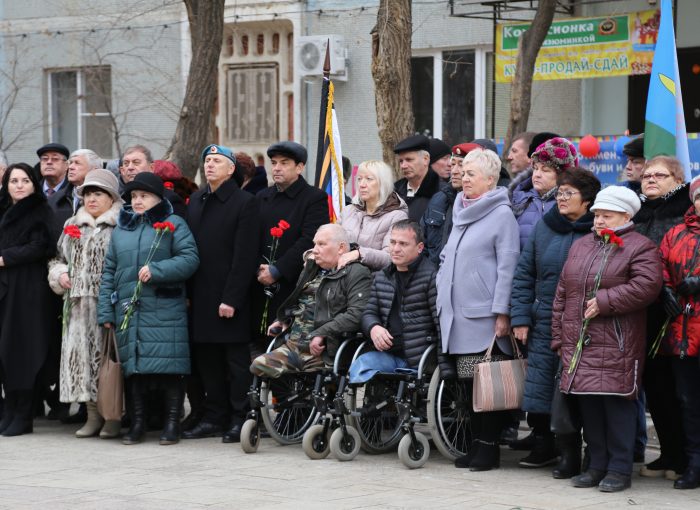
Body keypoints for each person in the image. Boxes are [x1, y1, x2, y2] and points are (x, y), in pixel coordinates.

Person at [552, 186, 662, 492]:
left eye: (606, 215)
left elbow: (647, 286)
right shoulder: (583, 244)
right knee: (590, 408)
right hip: (580, 342)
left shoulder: (640, 247)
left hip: (617, 342)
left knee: (617, 408)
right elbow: (563, 291)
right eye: (597, 214)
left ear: (626, 216)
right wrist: (559, 336)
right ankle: (596, 465)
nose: (598, 220)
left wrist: (605, 300)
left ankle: (619, 469)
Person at [97, 172, 199, 445]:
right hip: (130, 311)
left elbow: (190, 259)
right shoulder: (122, 230)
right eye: (133, 197)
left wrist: (157, 270)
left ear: (158, 198)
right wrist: (106, 311)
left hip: (164, 308)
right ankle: (138, 424)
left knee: (170, 370)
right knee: (135, 372)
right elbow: (109, 272)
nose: (138, 201)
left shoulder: (173, 223)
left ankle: (171, 424)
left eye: (144, 196)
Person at [511, 168, 601, 475]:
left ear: (587, 200)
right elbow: (524, 274)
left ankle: (591, 454)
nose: (560, 199)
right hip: (546, 320)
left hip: (588, 324)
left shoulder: (598, 230)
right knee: (547, 390)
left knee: (581, 391)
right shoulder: (544, 227)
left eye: (568, 194)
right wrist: (521, 318)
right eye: (559, 193)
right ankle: (559, 450)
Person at [436, 148, 520, 471]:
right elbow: (449, 255)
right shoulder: (460, 210)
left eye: (471, 174)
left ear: (490, 179)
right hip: (457, 315)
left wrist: (503, 312)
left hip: (484, 317)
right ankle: (474, 446)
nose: (464, 178)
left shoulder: (501, 215)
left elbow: (507, 267)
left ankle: (489, 450)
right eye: (463, 172)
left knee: (488, 388)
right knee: (469, 387)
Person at [184, 144, 260, 444]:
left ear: (231, 169)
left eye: (217, 161)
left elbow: (245, 256)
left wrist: (231, 298)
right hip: (200, 295)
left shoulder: (245, 202)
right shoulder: (196, 200)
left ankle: (239, 417)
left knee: (235, 362)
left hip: (229, 297)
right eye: (207, 160)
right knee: (207, 360)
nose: (210, 165)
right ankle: (214, 416)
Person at [47, 170, 123, 439]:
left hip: (107, 305)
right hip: (77, 306)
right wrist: (60, 274)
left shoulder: (120, 225)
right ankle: (91, 415)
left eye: (98, 193)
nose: (91, 198)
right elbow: (57, 259)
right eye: (88, 193)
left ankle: (112, 416)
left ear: (111, 196)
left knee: (107, 363)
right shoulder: (72, 225)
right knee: (82, 362)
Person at [633, 155, 691, 481]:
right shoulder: (638, 211)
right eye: (647, 175)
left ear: (677, 179)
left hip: (677, 312)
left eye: (660, 175)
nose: (651, 179)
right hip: (644, 312)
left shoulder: (685, 212)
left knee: (678, 388)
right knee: (655, 388)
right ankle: (668, 453)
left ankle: (685, 456)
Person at [251, 223, 371, 378]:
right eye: (315, 244)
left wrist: (321, 333)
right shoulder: (312, 268)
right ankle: (287, 399)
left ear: (341, 248)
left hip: (325, 352)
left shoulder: (356, 272)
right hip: (294, 346)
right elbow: (297, 301)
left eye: (321, 244)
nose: (314, 250)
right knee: (259, 366)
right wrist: (282, 320)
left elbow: (357, 314)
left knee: (314, 381)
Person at [251, 141, 329, 355]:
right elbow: (251, 237)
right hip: (259, 284)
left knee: (283, 354)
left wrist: (277, 270)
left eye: (284, 163)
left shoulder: (314, 198)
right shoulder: (262, 197)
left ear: (299, 167)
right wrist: (258, 269)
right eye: (274, 163)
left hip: (290, 285)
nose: (276, 168)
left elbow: (309, 240)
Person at [0, 163, 56, 437]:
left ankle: (23, 415)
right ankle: (9, 410)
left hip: (29, 289)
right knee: (6, 350)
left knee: (22, 350)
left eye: (25, 180)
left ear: (34, 184)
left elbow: (40, 246)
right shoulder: (2, 208)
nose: (19, 185)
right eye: (14, 181)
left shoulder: (41, 210)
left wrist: (5, 257)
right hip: (5, 288)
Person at [348, 220, 439, 383]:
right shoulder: (383, 276)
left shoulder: (432, 277)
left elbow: (441, 325)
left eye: (403, 244)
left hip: (420, 361)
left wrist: (446, 371)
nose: (396, 249)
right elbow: (369, 312)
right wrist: (373, 327)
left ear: (419, 248)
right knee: (358, 367)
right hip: (388, 355)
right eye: (393, 242)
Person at [657, 176, 700, 490]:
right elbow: (658, 265)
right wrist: (665, 291)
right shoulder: (675, 233)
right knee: (688, 401)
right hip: (682, 331)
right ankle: (694, 463)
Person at [338, 160, 408, 271]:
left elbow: (390, 257)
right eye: (359, 179)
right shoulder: (348, 211)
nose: (362, 185)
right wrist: (314, 253)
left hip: (375, 282)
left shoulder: (397, 216)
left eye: (369, 179)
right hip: (341, 278)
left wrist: (359, 254)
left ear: (383, 183)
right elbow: (333, 243)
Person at [512, 137, 578, 250]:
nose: (537, 174)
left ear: (562, 175)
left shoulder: (572, 204)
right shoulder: (519, 199)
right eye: (535, 168)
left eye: (545, 170)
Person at [421, 142, 479, 264]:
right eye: (453, 164)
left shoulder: (486, 205)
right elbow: (421, 243)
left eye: (461, 165)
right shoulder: (438, 199)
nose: (454, 171)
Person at [48, 149, 103, 240]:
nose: (71, 167)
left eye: (77, 163)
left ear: (95, 170)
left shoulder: (108, 201)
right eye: (71, 163)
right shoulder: (54, 200)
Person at [119, 145, 187, 218]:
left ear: (152, 168)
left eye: (136, 162)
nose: (130, 167)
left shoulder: (169, 199)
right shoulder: (121, 199)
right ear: (122, 171)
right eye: (126, 164)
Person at [393, 135, 442, 222]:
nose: (403, 166)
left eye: (409, 160)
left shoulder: (441, 192)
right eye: (401, 161)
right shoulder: (394, 191)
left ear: (425, 159)